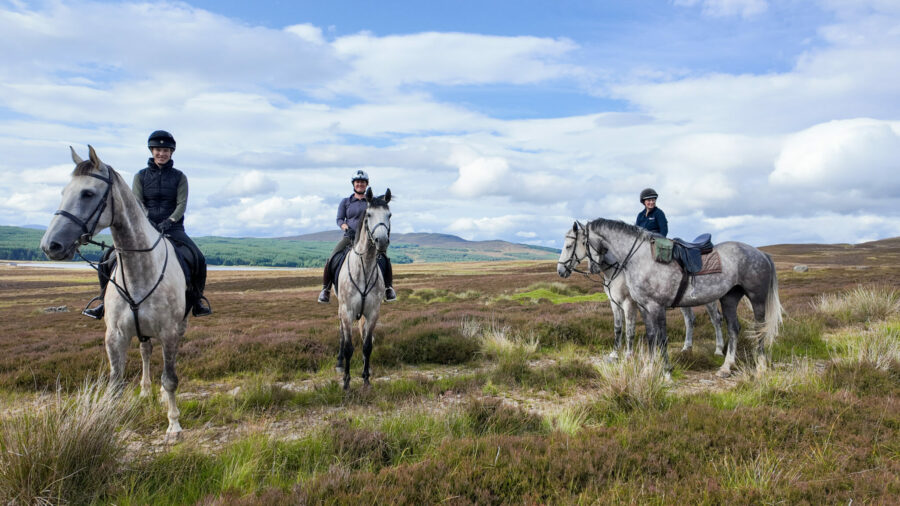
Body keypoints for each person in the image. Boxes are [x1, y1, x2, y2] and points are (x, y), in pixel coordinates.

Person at [82, 130, 212, 318]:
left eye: (166, 150)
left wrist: (170, 221)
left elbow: (181, 204)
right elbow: (137, 204)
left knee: (198, 258)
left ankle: (197, 300)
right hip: (145, 227)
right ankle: (103, 302)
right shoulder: (140, 176)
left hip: (173, 228)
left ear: (171, 152)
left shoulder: (180, 177)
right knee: (107, 258)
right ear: (152, 151)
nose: (162, 153)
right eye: (158, 149)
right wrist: (147, 223)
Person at [317, 170, 396, 303]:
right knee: (332, 257)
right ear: (353, 184)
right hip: (350, 237)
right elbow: (339, 219)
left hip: (368, 239)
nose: (360, 184)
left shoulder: (372, 201)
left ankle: (388, 288)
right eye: (357, 182)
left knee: (385, 259)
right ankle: (326, 290)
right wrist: (346, 228)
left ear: (366, 184)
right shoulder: (346, 202)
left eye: (363, 182)